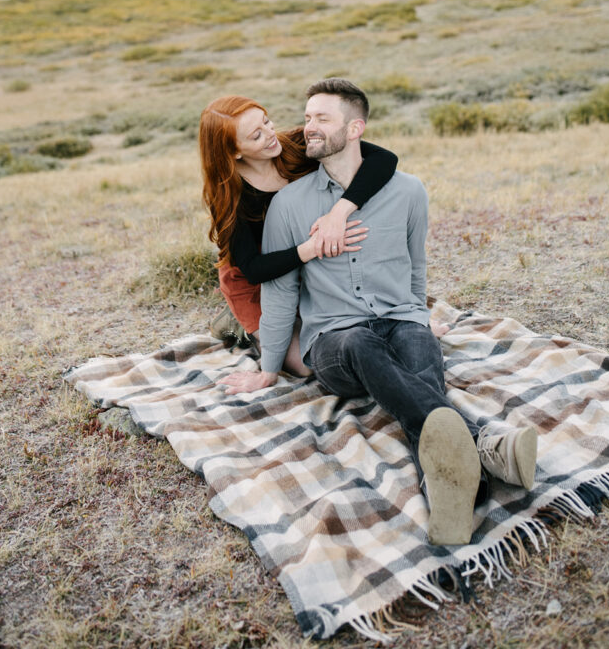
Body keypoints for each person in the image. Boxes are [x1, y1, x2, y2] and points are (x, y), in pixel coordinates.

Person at [218, 78, 538, 546]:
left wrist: (417, 314)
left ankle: (454, 491)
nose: (304, 127)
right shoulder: (285, 204)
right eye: (305, 117)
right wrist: (269, 366)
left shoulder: (407, 191)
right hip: (331, 337)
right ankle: (489, 444)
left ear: (355, 128)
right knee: (361, 342)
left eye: (319, 118)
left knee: (416, 345)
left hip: (399, 316)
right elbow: (277, 288)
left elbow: (416, 265)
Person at [199, 94, 400, 375]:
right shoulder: (229, 195)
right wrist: (313, 247)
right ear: (234, 152)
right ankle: (238, 323)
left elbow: (383, 159)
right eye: (257, 135)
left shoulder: (296, 144)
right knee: (304, 366)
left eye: (267, 122)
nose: (271, 135)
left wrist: (339, 213)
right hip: (262, 276)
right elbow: (254, 270)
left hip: (312, 265)